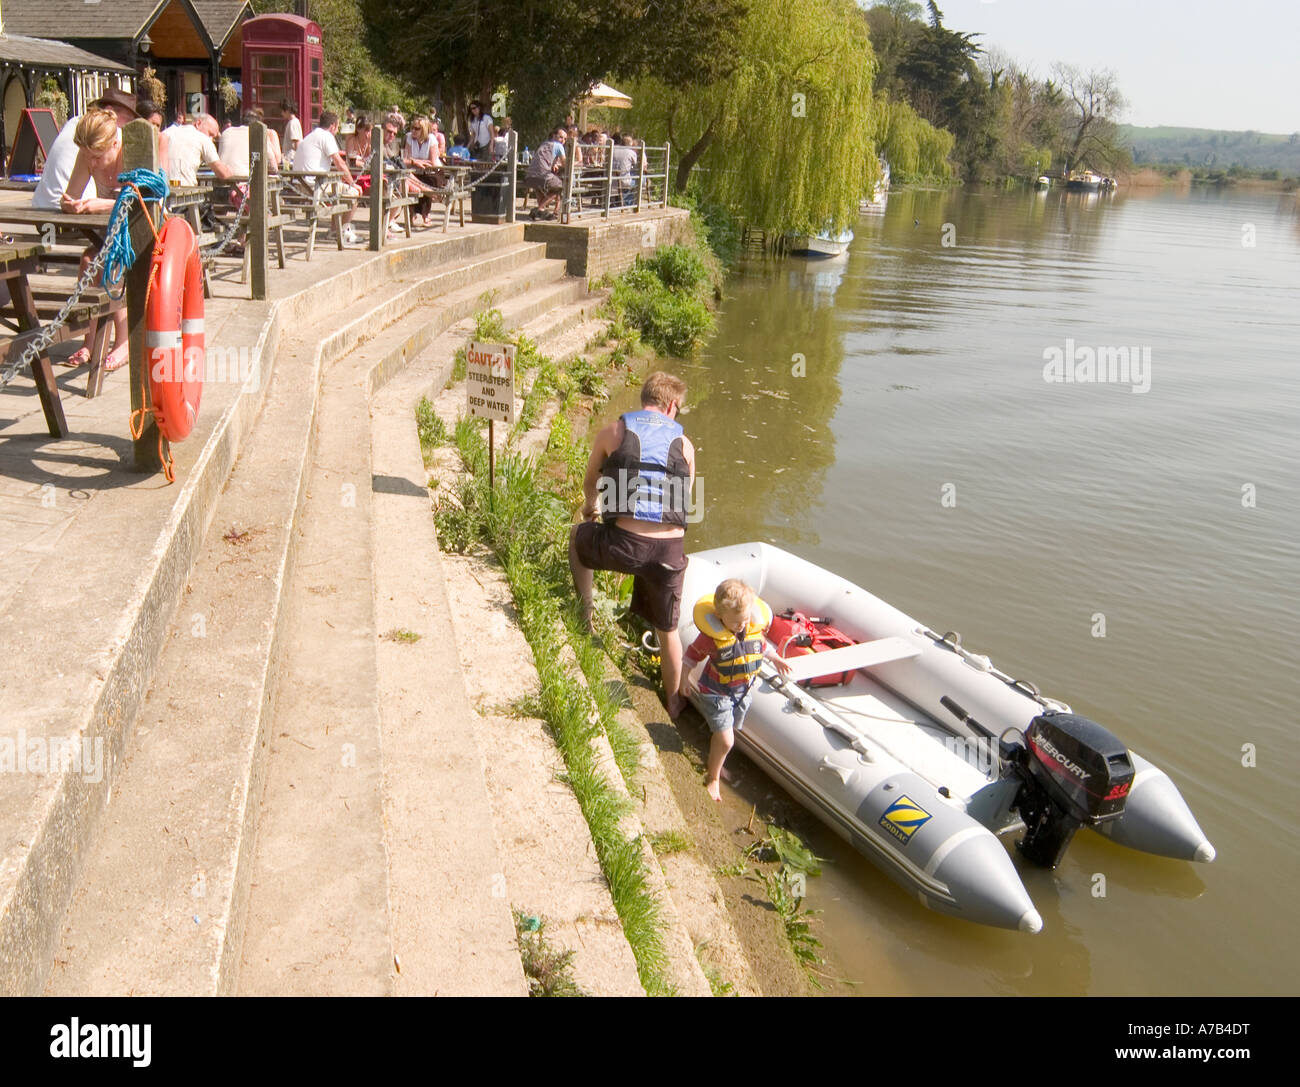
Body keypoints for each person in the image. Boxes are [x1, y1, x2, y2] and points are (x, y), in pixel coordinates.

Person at [570, 371, 696, 718]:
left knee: (578, 538)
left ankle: (586, 616)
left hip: (622, 546)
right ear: (672, 406)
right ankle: (672, 701)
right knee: (669, 631)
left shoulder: (613, 432)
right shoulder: (685, 446)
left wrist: (590, 508)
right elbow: (681, 501)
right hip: (669, 554)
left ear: (645, 400)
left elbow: (591, 480)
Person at [681, 579, 791, 801]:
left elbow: (762, 646)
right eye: (737, 622)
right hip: (716, 693)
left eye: (746, 619)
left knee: (726, 734)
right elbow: (691, 656)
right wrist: (684, 679)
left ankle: (716, 764)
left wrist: (776, 659)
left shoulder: (750, 628)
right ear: (721, 618)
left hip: (741, 693)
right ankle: (713, 778)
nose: (743, 625)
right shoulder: (711, 638)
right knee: (727, 740)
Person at [58, 110, 130, 371]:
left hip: (139, 231)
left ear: (114, 144)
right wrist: (71, 205)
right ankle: (91, 341)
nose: (93, 163)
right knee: (89, 260)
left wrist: (100, 204)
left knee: (110, 262)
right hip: (109, 233)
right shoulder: (89, 153)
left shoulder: (130, 150)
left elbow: (141, 200)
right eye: (88, 156)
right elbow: (71, 195)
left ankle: (123, 341)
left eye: (98, 157)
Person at [292, 110, 362, 245]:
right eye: (337, 127)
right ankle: (343, 230)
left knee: (340, 191)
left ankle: (335, 231)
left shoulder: (310, 136)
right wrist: (353, 183)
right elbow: (340, 163)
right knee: (354, 193)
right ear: (333, 126)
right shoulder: (327, 136)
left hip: (300, 185)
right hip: (315, 187)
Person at [166, 113, 234, 185]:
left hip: (161, 189)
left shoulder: (167, 132)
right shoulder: (203, 138)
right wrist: (230, 171)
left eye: (214, 138)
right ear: (198, 123)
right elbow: (223, 173)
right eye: (210, 134)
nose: (211, 140)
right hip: (185, 190)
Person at [524, 126, 566, 217]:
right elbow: (565, 163)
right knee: (561, 187)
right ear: (554, 136)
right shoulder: (558, 146)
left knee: (539, 187)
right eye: (561, 137)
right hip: (543, 176)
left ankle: (541, 210)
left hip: (529, 177)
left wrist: (553, 164)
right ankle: (539, 209)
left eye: (565, 139)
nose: (563, 140)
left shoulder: (544, 144)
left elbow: (543, 159)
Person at [281, 99, 303, 165]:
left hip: (291, 158)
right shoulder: (294, 122)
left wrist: (298, 157)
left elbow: (296, 142)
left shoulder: (292, 123)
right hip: (291, 157)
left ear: (287, 111)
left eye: (282, 111)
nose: (281, 113)